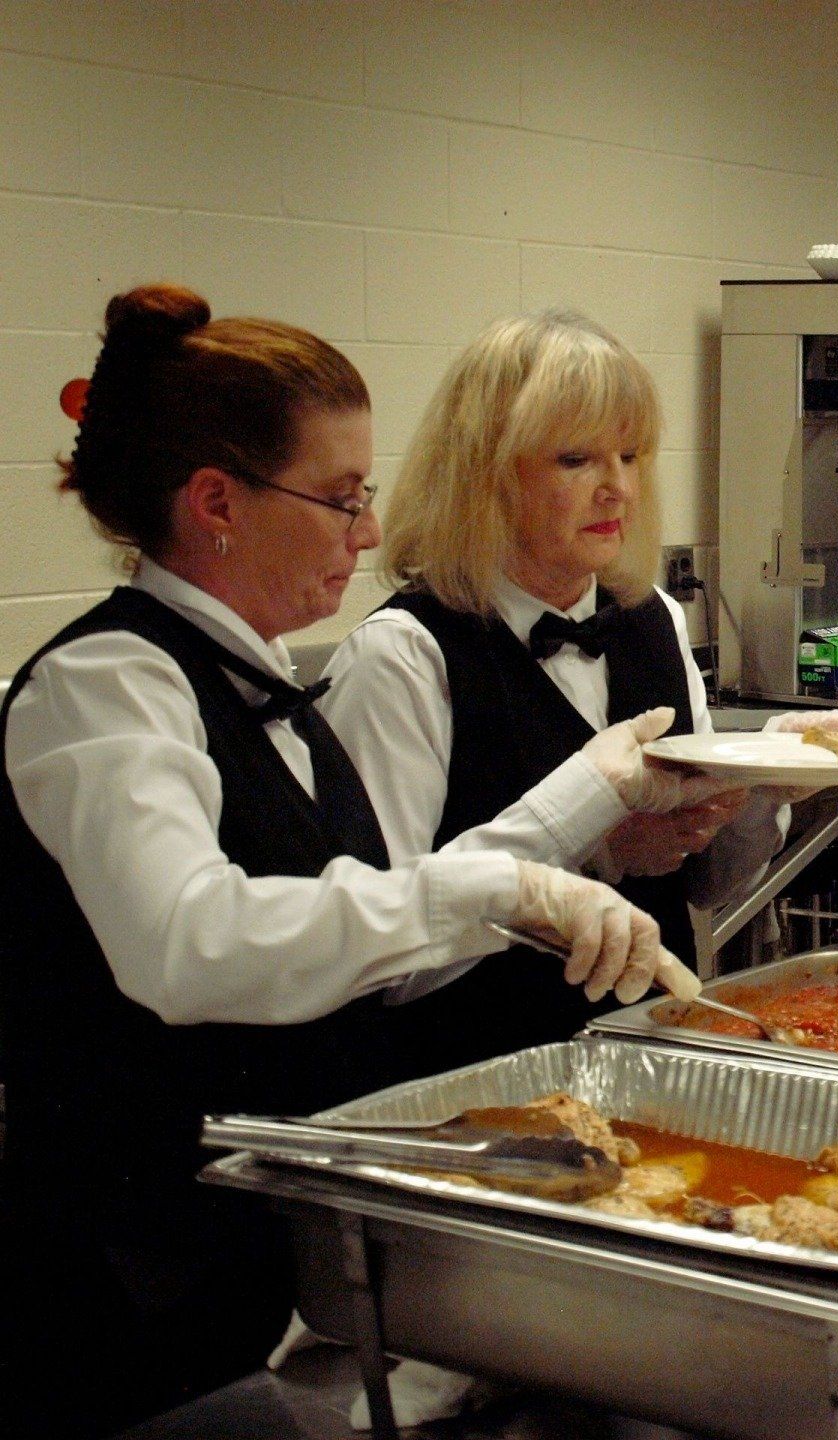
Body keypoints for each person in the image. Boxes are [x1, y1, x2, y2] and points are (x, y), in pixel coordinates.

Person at [0, 285, 698, 1438]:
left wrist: (553, 882)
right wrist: (493, 883)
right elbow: (187, 946)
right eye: (339, 499)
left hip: (274, 1255)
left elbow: (364, 930)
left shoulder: (266, 686)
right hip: (137, 1277)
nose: (370, 534)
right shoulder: (106, 685)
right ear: (216, 502)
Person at [319, 309, 788, 1076]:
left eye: (630, 456)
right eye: (576, 460)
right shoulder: (403, 657)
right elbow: (381, 961)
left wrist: (766, 785)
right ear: (485, 473)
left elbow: (704, 888)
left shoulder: (654, 620)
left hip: (650, 1068)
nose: (618, 490)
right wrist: (595, 847)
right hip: (478, 1089)